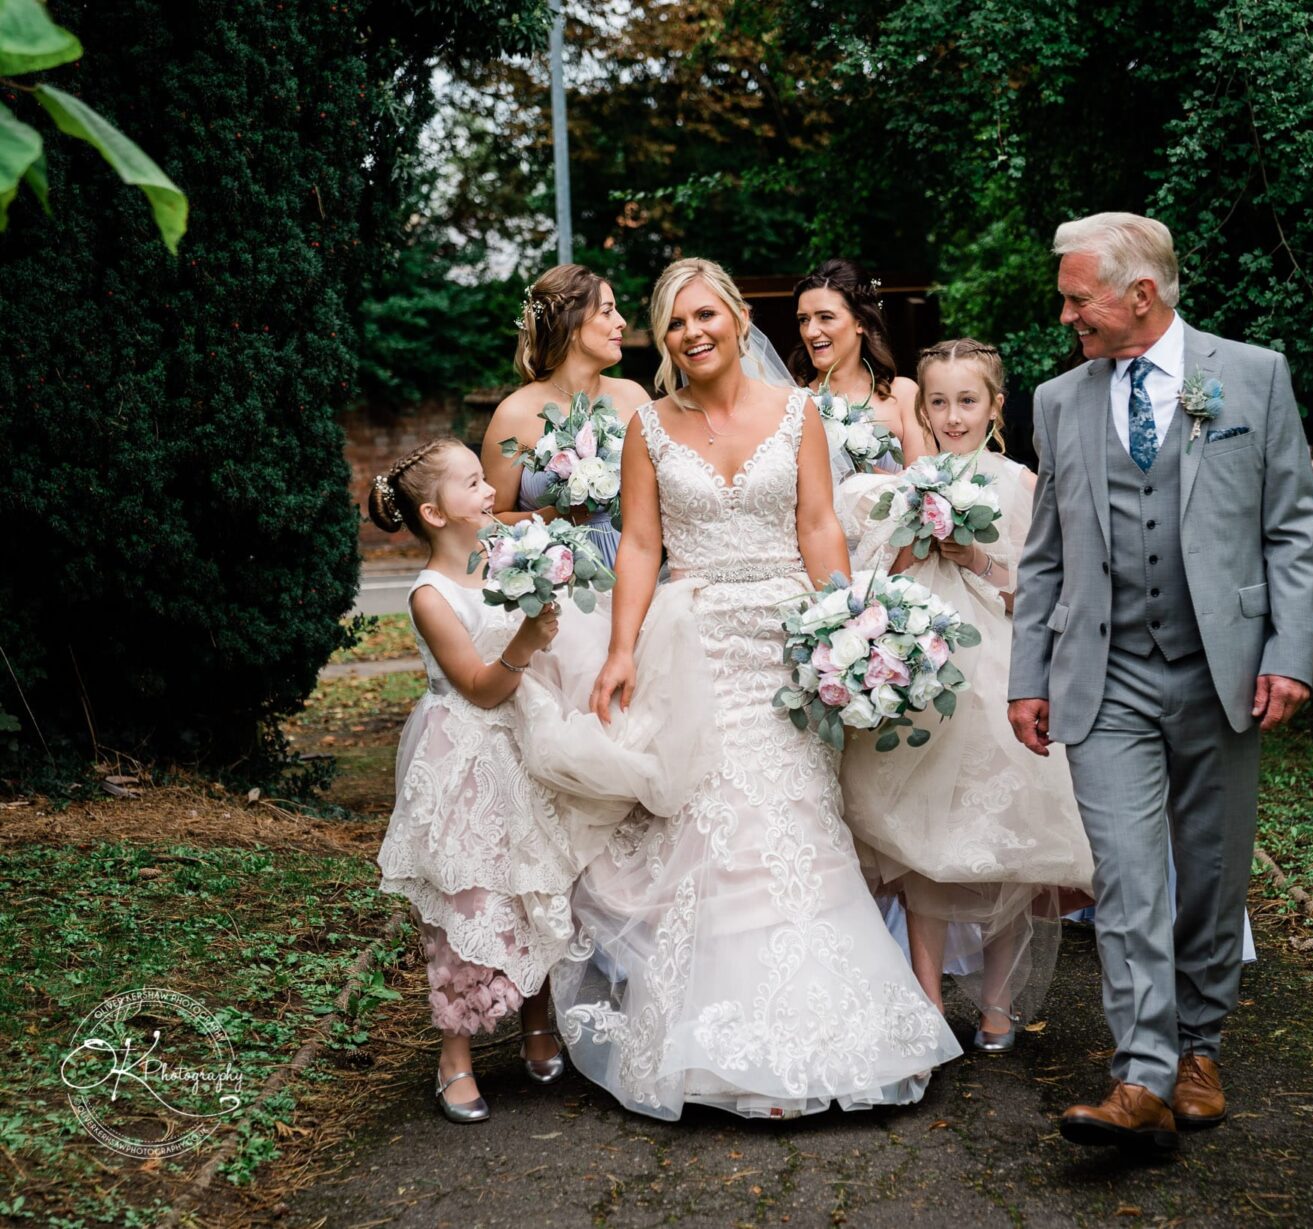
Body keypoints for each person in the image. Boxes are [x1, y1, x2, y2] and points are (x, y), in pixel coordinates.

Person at [554, 257, 962, 1121]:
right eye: (674, 321)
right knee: (723, 828)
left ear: (739, 319)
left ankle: (833, 1037)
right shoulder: (649, 428)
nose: (691, 332)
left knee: (798, 817)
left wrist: (849, 630)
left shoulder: (798, 412)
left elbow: (818, 525)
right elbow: (639, 545)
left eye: (704, 314)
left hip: (786, 640)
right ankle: (725, 1050)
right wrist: (621, 649)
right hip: (698, 642)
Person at [1008, 213, 1313, 1150]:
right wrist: (1028, 675)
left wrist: (1289, 651)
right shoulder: (1058, 400)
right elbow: (1046, 552)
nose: (1066, 315)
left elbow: (1292, 526)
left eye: (1078, 298)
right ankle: (1140, 1074)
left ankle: (1199, 1048)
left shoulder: (1251, 376)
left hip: (1222, 670)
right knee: (1127, 876)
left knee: (1212, 874)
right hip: (1104, 676)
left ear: (1139, 294)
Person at [839, 339, 1095, 1052]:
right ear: (922, 409)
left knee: (1001, 844)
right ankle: (926, 1000)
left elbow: (1040, 591)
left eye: (968, 401)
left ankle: (997, 1003)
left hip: (997, 672)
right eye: (940, 402)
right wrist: (912, 544)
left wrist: (974, 556)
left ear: (995, 407)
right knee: (923, 841)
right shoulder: (902, 486)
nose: (954, 416)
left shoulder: (1020, 484)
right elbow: (874, 582)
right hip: (923, 671)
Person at [369, 438, 576, 1122]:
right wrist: (527, 640)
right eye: (473, 483)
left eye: (486, 479)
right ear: (434, 513)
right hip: (463, 756)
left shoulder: (504, 557)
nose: (491, 491)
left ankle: (538, 1021)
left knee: (534, 883)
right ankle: (454, 1053)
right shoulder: (431, 595)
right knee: (469, 901)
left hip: (526, 745)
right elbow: (482, 689)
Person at [481, 264, 651, 567]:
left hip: (636, 570)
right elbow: (488, 520)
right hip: (560, 577)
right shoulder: (514, 414)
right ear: (570, 326)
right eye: (607, 312)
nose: (622, 322)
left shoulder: (634, 398)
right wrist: (556, 514)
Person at [790, 259, 928, 468]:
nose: (810, 332)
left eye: (825, 317)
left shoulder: (904, 395)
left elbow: (926, 484)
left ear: (860, 322)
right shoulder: (794, 402)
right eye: (803, 320)